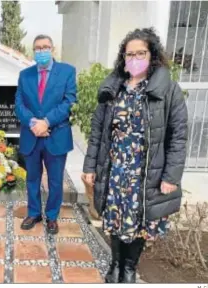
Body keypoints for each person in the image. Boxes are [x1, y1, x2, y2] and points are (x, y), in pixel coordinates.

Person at [82, 28, 188, 283]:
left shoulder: (168, 90)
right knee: (114, 218)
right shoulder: (112, 89)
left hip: (145, 173)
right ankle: (115, 264)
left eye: (141, 53)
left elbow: (178, 137)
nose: (135, 58)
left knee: (140, 223)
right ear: (123, 58)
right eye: (130, 54)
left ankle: (129, 267)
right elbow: (98, 132)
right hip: (115, 170)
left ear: (152, 56)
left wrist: (171, 176)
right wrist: (90, 166)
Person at [15, 35, 77, 234]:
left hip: (55, 135)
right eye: (38, 48)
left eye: (45, 47)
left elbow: (68, 102)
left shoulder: (67, 72)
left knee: (55, 180)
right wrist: (34, 123)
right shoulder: (25, 75)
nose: (42, 51)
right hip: (31, 135)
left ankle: (52, 216)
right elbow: (19, 105)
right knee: (32, 178)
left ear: (53, 49)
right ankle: (34, 213)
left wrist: (47, 122)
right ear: (33, 51)